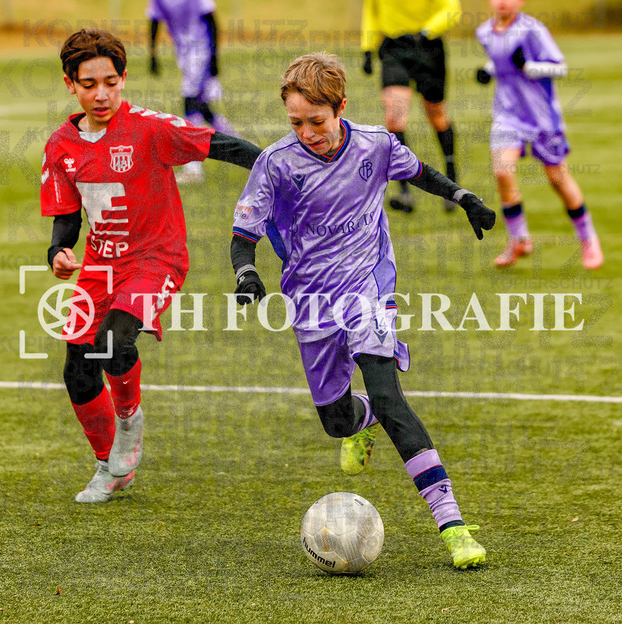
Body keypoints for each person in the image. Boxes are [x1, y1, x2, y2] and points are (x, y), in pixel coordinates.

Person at [230, 53, 495, 568]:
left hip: (367, 288)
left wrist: (463, 196)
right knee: (336, 422)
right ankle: (362, 417)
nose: (307, 133)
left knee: (391, 398)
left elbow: (419, 172)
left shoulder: (375, 144)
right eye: (296, 123)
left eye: (317, 121)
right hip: (310, 299)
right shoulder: (276, 163)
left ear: (341, 107)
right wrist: (246, 274)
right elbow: (244, 234)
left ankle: (454, 526)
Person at [40, 28, 261, 503]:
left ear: (123, 78)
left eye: (110, 82)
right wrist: (58, 251)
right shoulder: (61, 146)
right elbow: (66, 217)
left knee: (113, 342)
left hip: (156, 258)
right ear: (70, 84)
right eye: (89, 84)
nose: (102, 94)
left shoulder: (150, 128)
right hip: (99, 266)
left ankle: (128, 423)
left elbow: (220, 145)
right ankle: (110, 467)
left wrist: (279, 166)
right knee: (78, 370)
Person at [475, 0, 604, 269]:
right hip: (507, 115)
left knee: (557, 178)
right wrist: (488, 71)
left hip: (542, 117)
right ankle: (519, 239)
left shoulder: (533, 29)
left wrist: (529, 67)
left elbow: (560, 66)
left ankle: (588, 238)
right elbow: (501, 60)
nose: (502, 2)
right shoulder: (484, 32)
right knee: (502, 171)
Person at [360, 0, 461, 214]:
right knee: (394, 118)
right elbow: (371, 13)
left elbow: (452, 9)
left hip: (428, 47)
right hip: (394, 49)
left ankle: (452, 182)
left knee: (437, 116)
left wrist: (426, 32)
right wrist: (367, 48)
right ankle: (405, 191)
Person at [148, 0, 237, 184]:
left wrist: (214, 56)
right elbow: (154, 21)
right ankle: (236, 144)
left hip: (201, 50)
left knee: (190, 104)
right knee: (202, 107)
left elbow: (211, 20)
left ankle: (193, 168)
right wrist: (153, 55)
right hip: (183, 52)